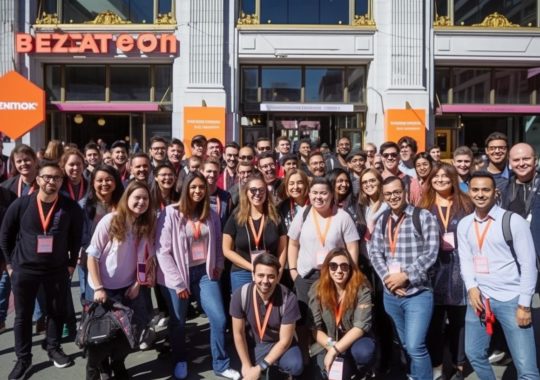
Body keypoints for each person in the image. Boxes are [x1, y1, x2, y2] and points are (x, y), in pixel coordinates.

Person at [1, 161, 84, 379]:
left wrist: (71, 265)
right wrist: (10, 265)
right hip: (24, 270)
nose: (51, 181)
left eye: (56, 178)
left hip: (56, 270)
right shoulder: (22, 204)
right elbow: (5, 236)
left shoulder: (70, 207)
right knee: (22, 316)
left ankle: (53, 348)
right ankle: (23, 358)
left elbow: (76, 238)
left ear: (61, 181)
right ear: (38, 180)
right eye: (47, 177)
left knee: (55, 312)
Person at [155, 172, 240, 380]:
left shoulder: (210, 213)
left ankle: (220, 364)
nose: (197, 191)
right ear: (185, 189)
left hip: (204, 272)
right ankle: (180, 360)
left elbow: (218, 241)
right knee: (178, 322)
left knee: (219, 318)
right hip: (177, 275)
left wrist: (218, 265)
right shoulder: (170, 213)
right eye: (193, 187)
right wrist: (177, 283)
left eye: (201, 187)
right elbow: (162, 252)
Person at [457, 172, 540, 380]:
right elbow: (465, 260)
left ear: (495, 193)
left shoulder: (513, 221)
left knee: (526, 368)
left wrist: (524, 305)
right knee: (474, 354)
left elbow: (529, 265)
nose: (480, 194)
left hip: (511, 300)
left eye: (486, 190)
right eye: (475, 190)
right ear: (469, 193)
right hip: (479, 299)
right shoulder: (465, 224)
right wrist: (471, 287)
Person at [369, 176, 439, 380]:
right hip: (392, 295)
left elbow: (431, 253)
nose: (393, 197)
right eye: (389, 193)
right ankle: (414, 375)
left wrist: (405, 277)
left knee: (416, 345)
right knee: (406, 344)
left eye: (397, 192)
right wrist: (388, 279)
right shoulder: (382, 220)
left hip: (418, 292)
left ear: (405, 192)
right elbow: (375, 253)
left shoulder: (423, 216)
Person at [86, 180, 155, 380]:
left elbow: (145, 259)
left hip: (129, 288)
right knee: (101, 338)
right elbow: (92, 256)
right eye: (137, 197)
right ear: (127, 199)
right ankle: (96, 368)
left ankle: (117, 364)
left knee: (128, 335)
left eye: (145, 199)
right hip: (103, 289)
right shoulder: (110, 220)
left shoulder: (144, 224)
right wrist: (99, 288)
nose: (141, 202)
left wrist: (136, 284)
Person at [287, 177, 360, 358]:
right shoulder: (303, 214)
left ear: (331, 195)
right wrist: (293, 271)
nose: (319, 197)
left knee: (331, 317)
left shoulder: (342, 216)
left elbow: (352, 246)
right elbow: (293, 243)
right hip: (306, 274)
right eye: (315, 193)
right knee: (305, 319)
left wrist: (351, 271)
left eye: (323, 193)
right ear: (309, 194)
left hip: (334, 276)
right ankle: (305, 355)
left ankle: (332, 353)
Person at [419, 162, 474, 380]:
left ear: (453, 179)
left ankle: (460, 364)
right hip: (433, 270)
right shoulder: (424, 206)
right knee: (434, 321)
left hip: (460, 269)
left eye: (445, 176)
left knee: (459, 320)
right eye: (436, 176)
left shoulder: (466, 203)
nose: (440, 180)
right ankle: (439, 365)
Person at [230, 253, 303, 380]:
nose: (265, 281)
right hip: (255, 343)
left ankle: (273, 370)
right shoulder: (240, 295)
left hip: (278, 342)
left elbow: (285, 342)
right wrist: (246, 365)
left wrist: (259, 368)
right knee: (243, 369)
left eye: (270, 276)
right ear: (253, 275)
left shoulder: (288, 298)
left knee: (295, 365)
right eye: (260, 275)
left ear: (277, 276)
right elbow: (238, 333)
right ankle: (267, 369)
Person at [308, 248, 375, 378]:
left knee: (364, 353)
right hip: (329, 341)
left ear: (350, 269)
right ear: (327, 268)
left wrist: (335, 350)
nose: (338, 271)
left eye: (344, 266)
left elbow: (360, 326)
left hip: (355, 340)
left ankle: (362, 371)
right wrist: (332, 346)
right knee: (326, 375)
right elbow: (315, 328)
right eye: (333, 266)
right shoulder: (317, 289)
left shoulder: (362, 288)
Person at [223, 174, 287, 292]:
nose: (257, 193)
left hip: (269, 273)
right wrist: (253, 267)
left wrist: (279, 272)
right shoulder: (236, 217)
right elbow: (226, 250)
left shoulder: (275, 217)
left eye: (261, 190)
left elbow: (283, 249)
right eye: (253, 190)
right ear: (246, 193)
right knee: (244, 307)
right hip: (242, 272)